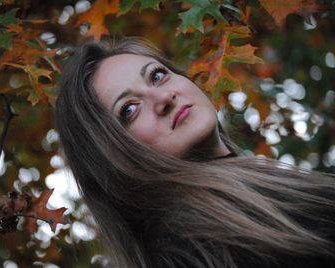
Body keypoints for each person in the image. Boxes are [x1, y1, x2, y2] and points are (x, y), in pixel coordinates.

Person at [55, 37, 335, 268]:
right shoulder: (192, 251)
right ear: (112, 159)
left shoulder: (260, 192)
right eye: (129, 109)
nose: (163, 98)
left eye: (157, 75)